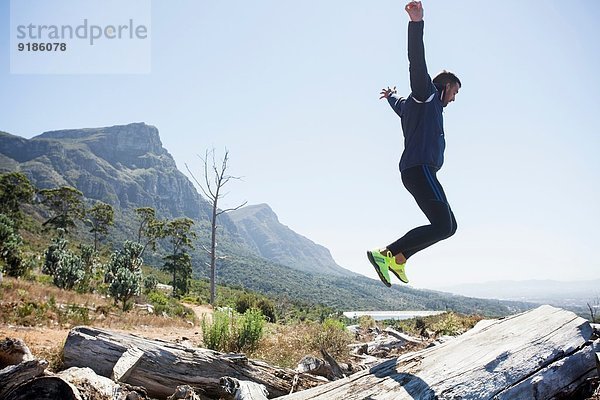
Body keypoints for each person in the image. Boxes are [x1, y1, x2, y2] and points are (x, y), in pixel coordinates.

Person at [367, 1, 461, 287]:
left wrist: (390, 97)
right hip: (419, 169)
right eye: (454, 92)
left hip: (419, 171)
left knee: (450, 226)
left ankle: (399, 259)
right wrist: (416, 24)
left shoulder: (412, 104)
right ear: (444, 86)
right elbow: (416, 62)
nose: (454, 99)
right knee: (443, 225)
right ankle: (387, 253)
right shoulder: (426, 94)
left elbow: (399, 105)